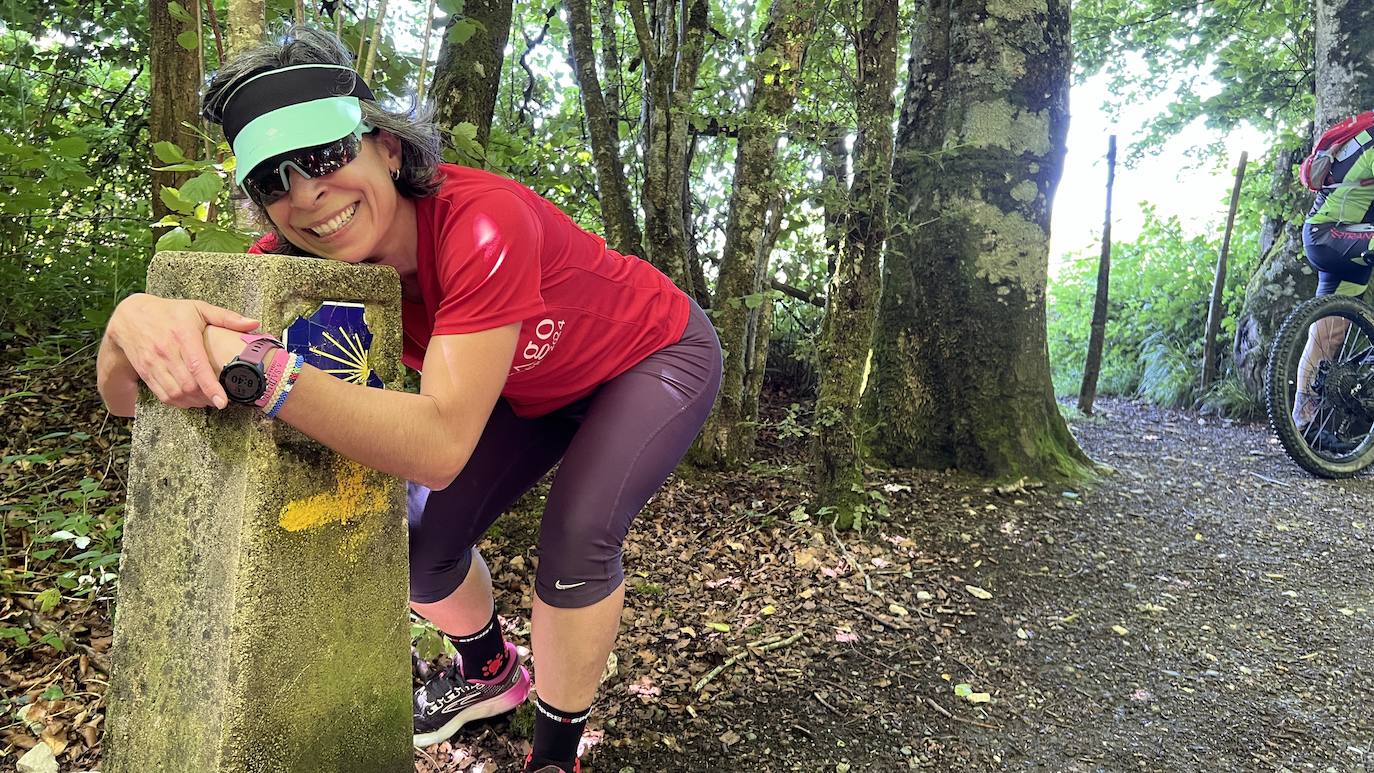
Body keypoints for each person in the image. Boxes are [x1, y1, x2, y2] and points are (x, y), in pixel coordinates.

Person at [96, 26, 721, 773]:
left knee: (578, 538)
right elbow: (131, 399)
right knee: (420, 549)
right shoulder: (296, 264)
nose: (306, 194)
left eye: (325, 156)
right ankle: (489, 673)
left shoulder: (484, 222)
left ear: (386, 147)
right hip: (526, 389)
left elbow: (438, 445)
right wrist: (130, 323)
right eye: (273, 180)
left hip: (649, 355)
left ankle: (556, 755)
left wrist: (264, 371)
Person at [1294, 125, 1374, 453]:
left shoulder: (1364, 132)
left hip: (1332, 238)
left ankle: (1303, 424)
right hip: (1336, 235)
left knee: (1327, 334)